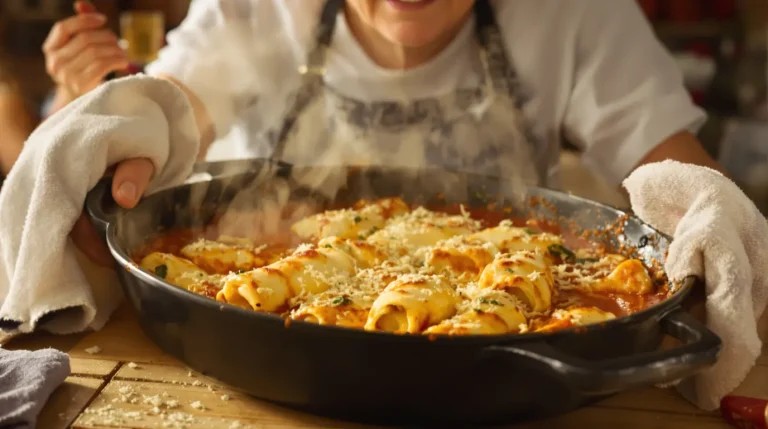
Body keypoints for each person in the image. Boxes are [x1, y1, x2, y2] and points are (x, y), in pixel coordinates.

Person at [41, 0, 726, 264]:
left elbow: (687, 189)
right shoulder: (257, 9)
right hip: (257, 319)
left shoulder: (575, 12)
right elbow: (168, 113)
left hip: (511, 344)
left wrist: (716, 223)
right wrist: (117, 124)